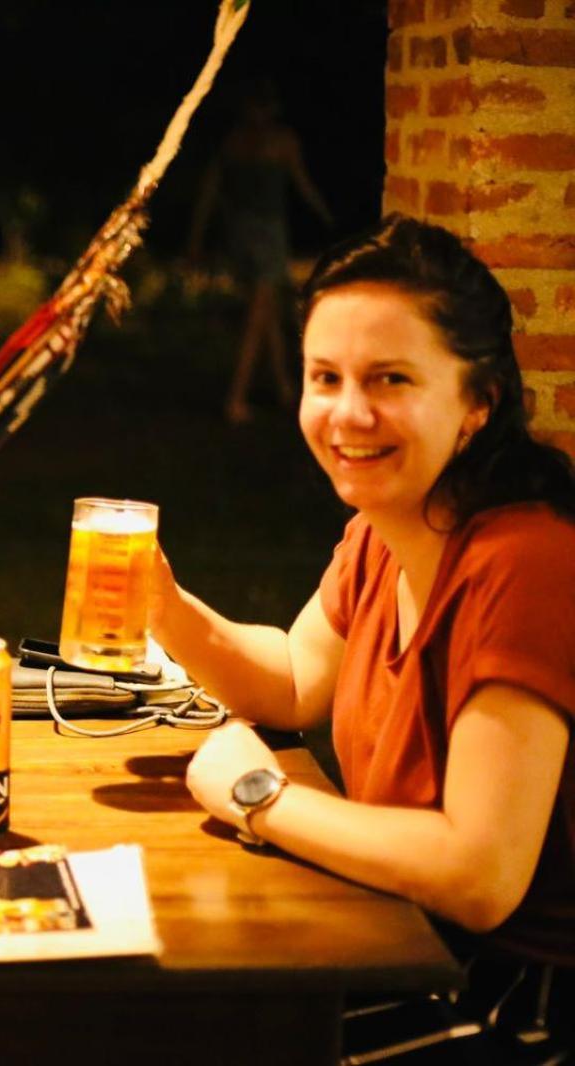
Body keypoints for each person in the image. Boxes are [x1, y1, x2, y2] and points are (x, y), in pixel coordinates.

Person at [155, 215, 575, 1055]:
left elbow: (480, 875)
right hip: (405, 940)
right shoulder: (387, 530)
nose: (349, 413)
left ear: (477, 403)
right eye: (325, 377)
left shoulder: (526, 560)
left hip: (517, 1000)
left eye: (389, 379)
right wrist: (163, 606)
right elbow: (293, 680)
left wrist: (259, 799)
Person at [188, 79, 334, 425]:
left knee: (266, 310)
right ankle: (235, 399)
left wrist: (196, 236)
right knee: (258, 316)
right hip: (265, 235)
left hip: (239, 234)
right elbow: (301, 183)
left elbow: (209, 192)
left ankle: (285, 389)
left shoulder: (233, 142)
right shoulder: (279, 141)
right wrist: (326, 214)